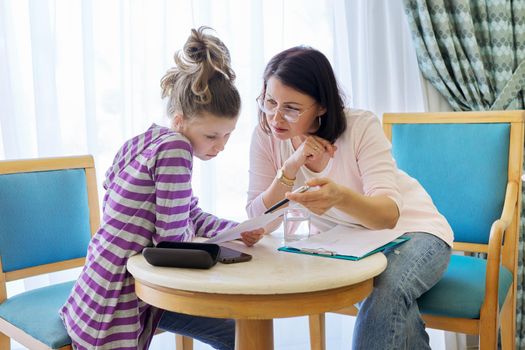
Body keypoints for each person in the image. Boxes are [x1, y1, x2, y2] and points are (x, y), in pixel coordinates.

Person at [60, 27, 264, 350]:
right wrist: (203, 238)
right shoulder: (176, 151)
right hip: (118, 302)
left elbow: (188, 215)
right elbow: (171, 241)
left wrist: (236, 230)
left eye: (227, 136)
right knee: (236, 332)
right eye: (212, 136)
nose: (220, 146)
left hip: (92, 291)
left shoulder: (145, 142)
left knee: (230, 328)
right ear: (180, 120)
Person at [246, 46, 453, 349]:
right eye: (270, 101)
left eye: (291, 108)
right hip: (352, 241)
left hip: (416, 232)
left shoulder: (360, 126)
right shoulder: (267, 135)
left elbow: (388, 214)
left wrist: (339, 198)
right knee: (394, 313)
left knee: (382, 289)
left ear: (321, 107)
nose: (276, 116)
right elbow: (256, 224)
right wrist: (290, 167)